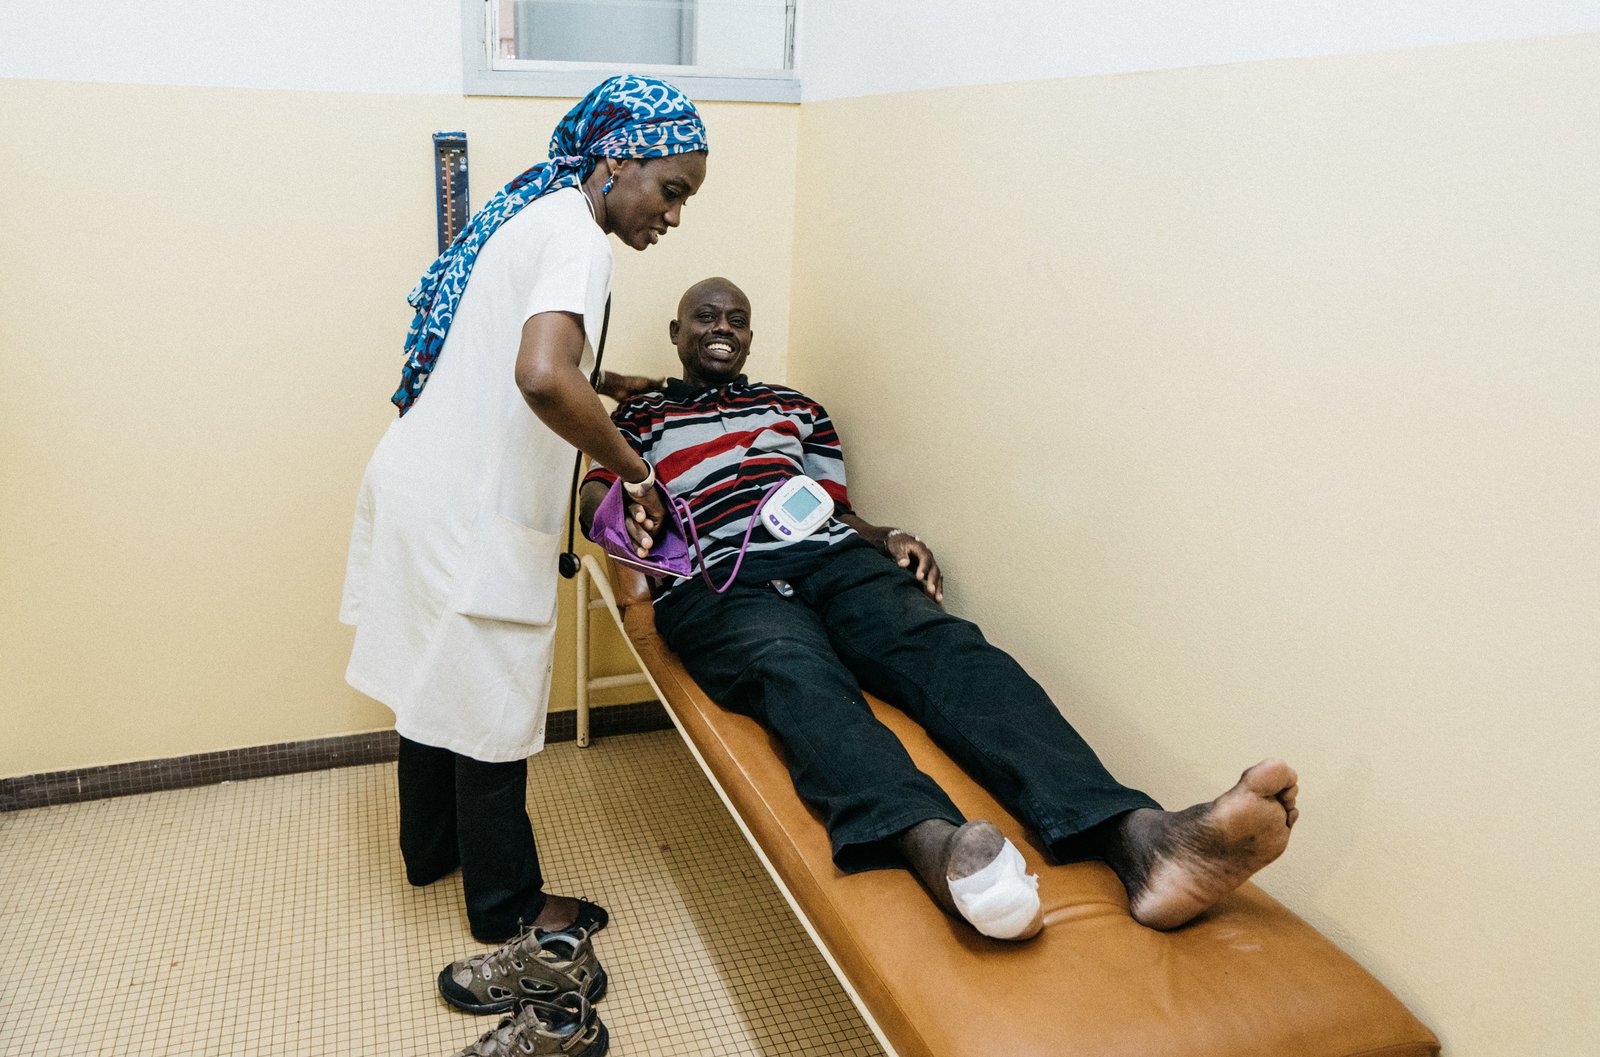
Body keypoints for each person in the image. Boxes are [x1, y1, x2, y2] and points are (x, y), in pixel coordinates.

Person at [578, 277, 1301, 941]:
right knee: (792, 671)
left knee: (951, 651)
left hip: (831, 557)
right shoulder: (642, 414)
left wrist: (886, 536)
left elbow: (836, 508)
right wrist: (603, 506)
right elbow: (599, 494)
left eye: (739, 318)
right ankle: (940, 848)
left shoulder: (797, 408)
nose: (723, 327)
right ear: (676, 331)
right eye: (707, 316)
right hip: (722, 583)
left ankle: (1144, 839)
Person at [339, 75, 705, 946]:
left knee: (435, 682)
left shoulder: (532, 214)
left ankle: (430, 849)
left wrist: (610, 381)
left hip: (416, 485)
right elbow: (542, 374)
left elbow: (513, 342)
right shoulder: (581, 240)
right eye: (672, 190)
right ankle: (508, 904)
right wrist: (635, 470)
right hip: (470, 512)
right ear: (619, 159)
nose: (675, 214)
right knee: (491, 702)